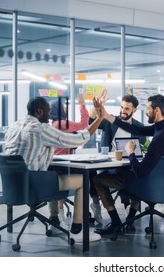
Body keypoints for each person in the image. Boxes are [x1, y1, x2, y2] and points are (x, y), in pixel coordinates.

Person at [4, 96, 105, 242]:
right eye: (47, 111)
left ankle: (55, 220)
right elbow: (79, 139)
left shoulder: (14, 126)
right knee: (82, 180)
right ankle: (78, 229)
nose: (50, 115)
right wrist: (100, 117)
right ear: (39, 111)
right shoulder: (40, 129)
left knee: (52, 172)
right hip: (35, 185)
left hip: (13, 185)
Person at [93, 94, 164, 236]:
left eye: (148, 108)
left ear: (156, 110)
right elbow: (139, 130)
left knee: (98, 180)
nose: (146, 111)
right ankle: (130, 218)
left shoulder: (159, 138)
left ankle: (116, 222)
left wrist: (131, 152)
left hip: (149, 185)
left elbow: (140, 172)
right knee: (131, 174)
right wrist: (108, 116)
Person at [88, 94, 148, 221]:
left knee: (138, 176)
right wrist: (97, 106)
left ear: (134, 110)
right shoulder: (111, 122)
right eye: (122, 107)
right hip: (110, 166)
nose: (123, 111)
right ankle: (114, 218)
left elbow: (143, 147)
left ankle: (130, 217)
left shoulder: (139, 127)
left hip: (129, 166)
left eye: (127, 108)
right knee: (94, 177)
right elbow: (91, 121)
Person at [49, 94, 93, 227]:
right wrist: (82, 105)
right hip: (63, 164)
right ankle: (78, 223)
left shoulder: (54, 124)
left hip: (54, 165)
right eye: (64, 107)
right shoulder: (62, 124)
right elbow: (84, 124)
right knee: (84, 181)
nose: (66, 109)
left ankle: (55, 215)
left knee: (56, 186)